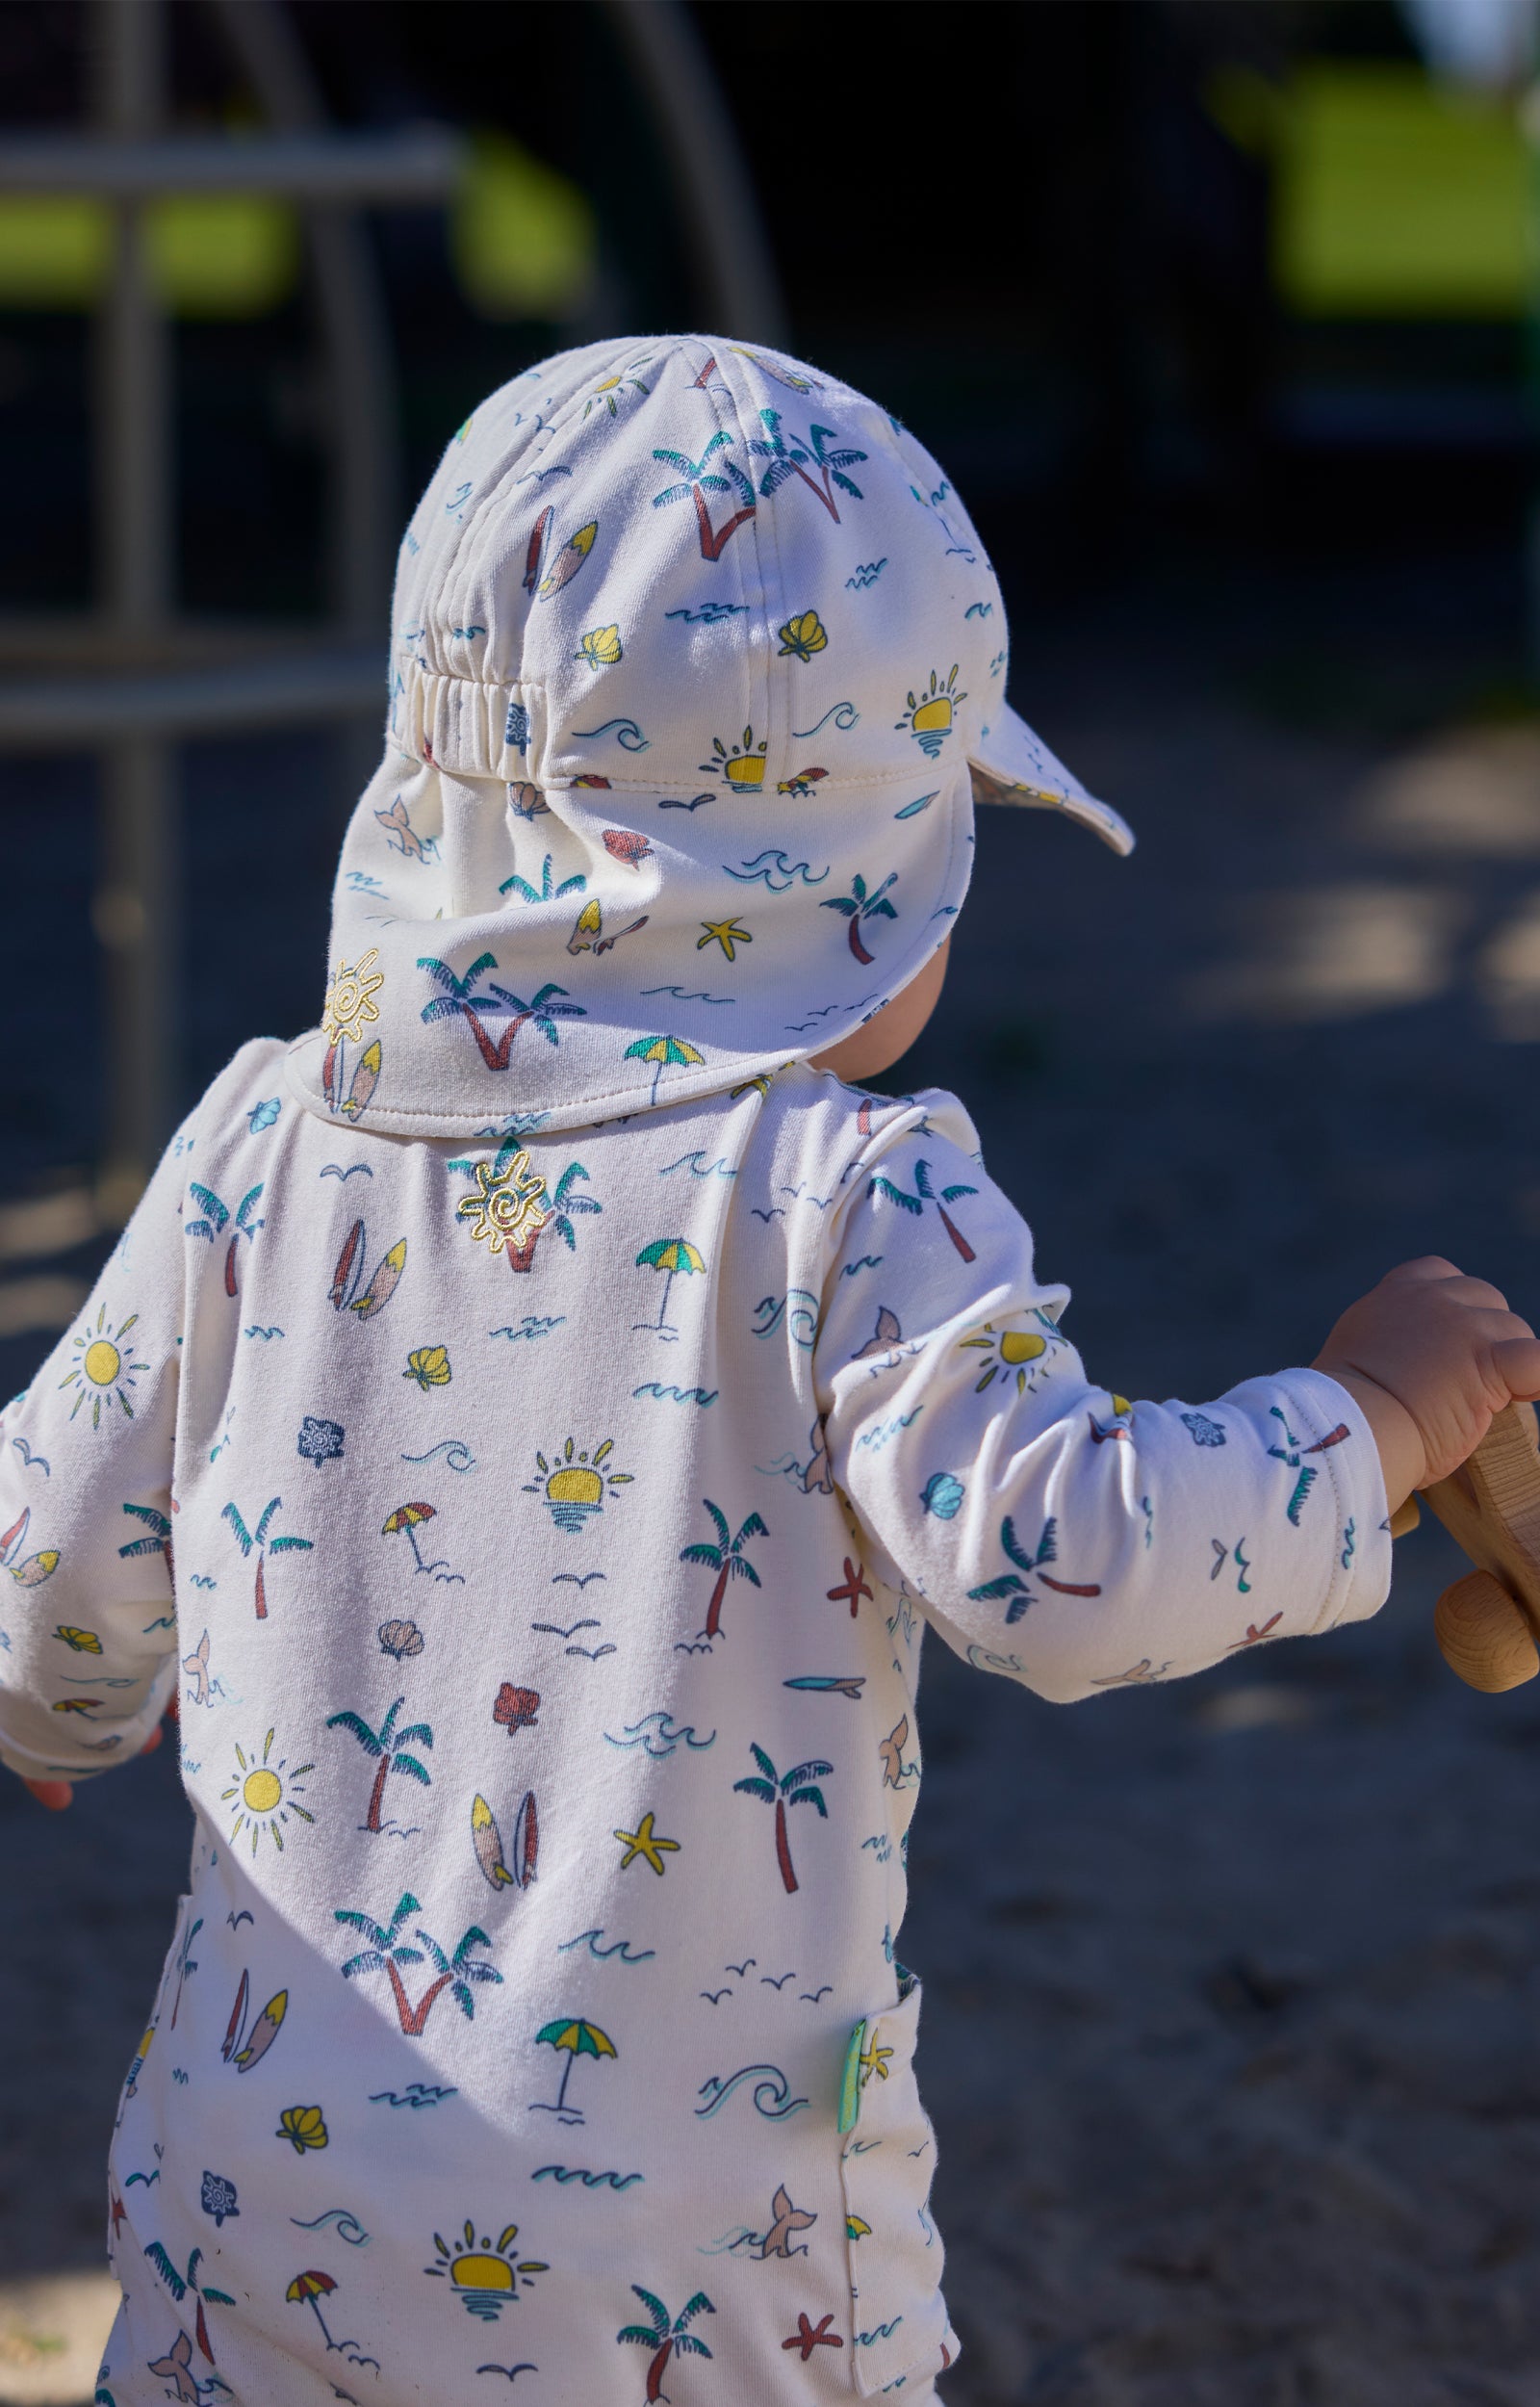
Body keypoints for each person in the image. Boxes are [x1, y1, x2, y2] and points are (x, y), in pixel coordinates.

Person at [4, 333, 1535, 2407]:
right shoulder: (848, 1197)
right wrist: (1370, 1422)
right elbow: (1073, 1563)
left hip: (255, 2223)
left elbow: (42, 1569)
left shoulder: (260, 1142)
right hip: (693, 2273)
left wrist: (57, 1698)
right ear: (852, 877)